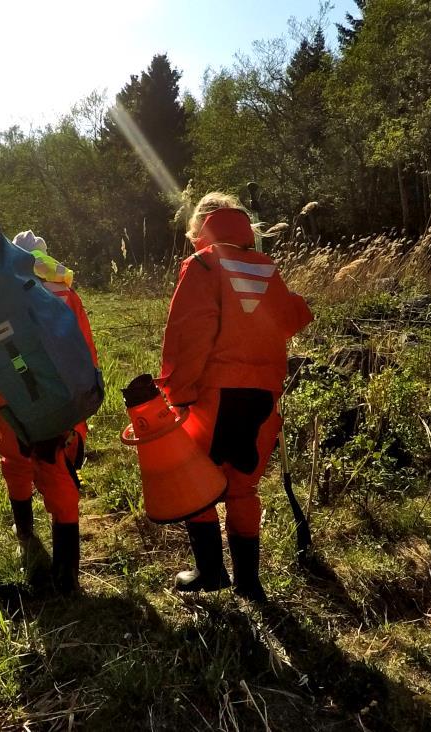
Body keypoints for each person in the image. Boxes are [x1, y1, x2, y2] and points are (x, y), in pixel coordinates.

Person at [158, 192, 313, 601]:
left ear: (199, 230)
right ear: (245, 230)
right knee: (242, 487)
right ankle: (249, 583)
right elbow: (295, 316)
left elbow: (187, 338)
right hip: (262, 397)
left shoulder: (203, 265)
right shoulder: (266, 268)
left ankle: (210, 572)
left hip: (213, 396)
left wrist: (176, 393)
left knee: (198, 482)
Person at [0, 230, 99, 594]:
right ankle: (66, 575)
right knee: (61, 479)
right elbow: (85, 354)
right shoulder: (67, 296)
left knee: (15, 464)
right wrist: (83, 411)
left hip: (14, 409)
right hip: (65, 407)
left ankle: (25, 534)